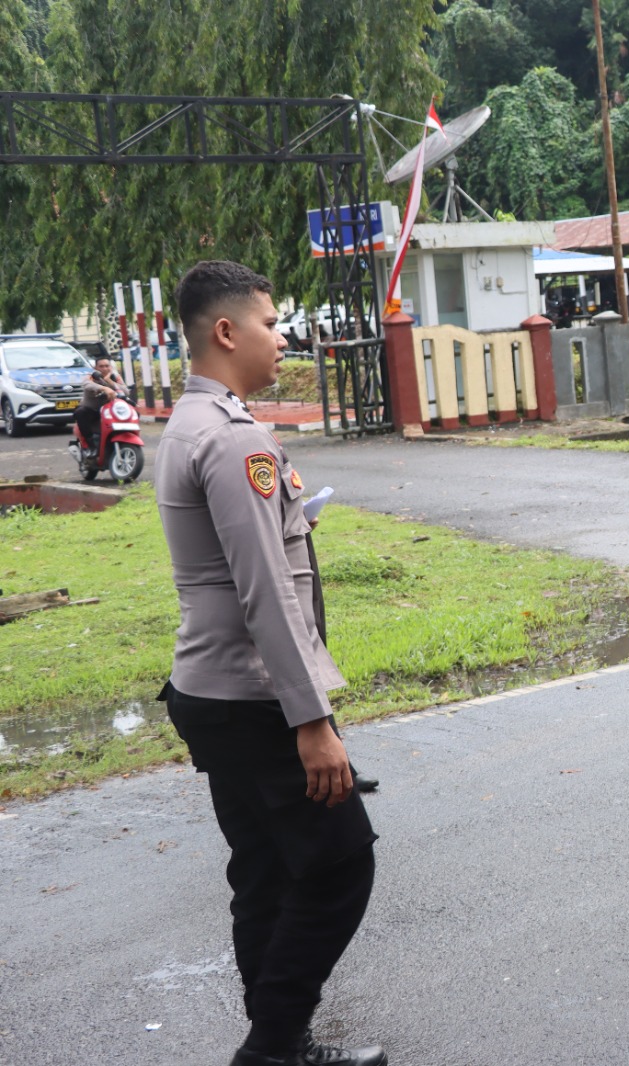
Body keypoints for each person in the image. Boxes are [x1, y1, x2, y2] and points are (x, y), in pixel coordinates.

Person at [154, 261, 384, 1066]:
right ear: (226, 332)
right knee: (339, 868)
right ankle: (272, 1045)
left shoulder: (187, 424)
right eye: (271, 322)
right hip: (257, 700)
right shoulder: (233, 438)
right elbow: (265, 593)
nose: (283, 337)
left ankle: (284, 1044)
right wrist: (313, 720)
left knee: (264, 874)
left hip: (207, 690)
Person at [76, 356, 126, 445]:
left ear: (111, 367)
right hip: (94, 410)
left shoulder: (115, 377)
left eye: (107, 366)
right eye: (101, 366)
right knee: (80, 412)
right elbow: (87, 385)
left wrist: (109, 381)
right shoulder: (91, 377)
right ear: (96, 368)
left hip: (112, 410)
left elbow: (126, 391)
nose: (104, 368)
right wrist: (103, 388)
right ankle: (90, 443)